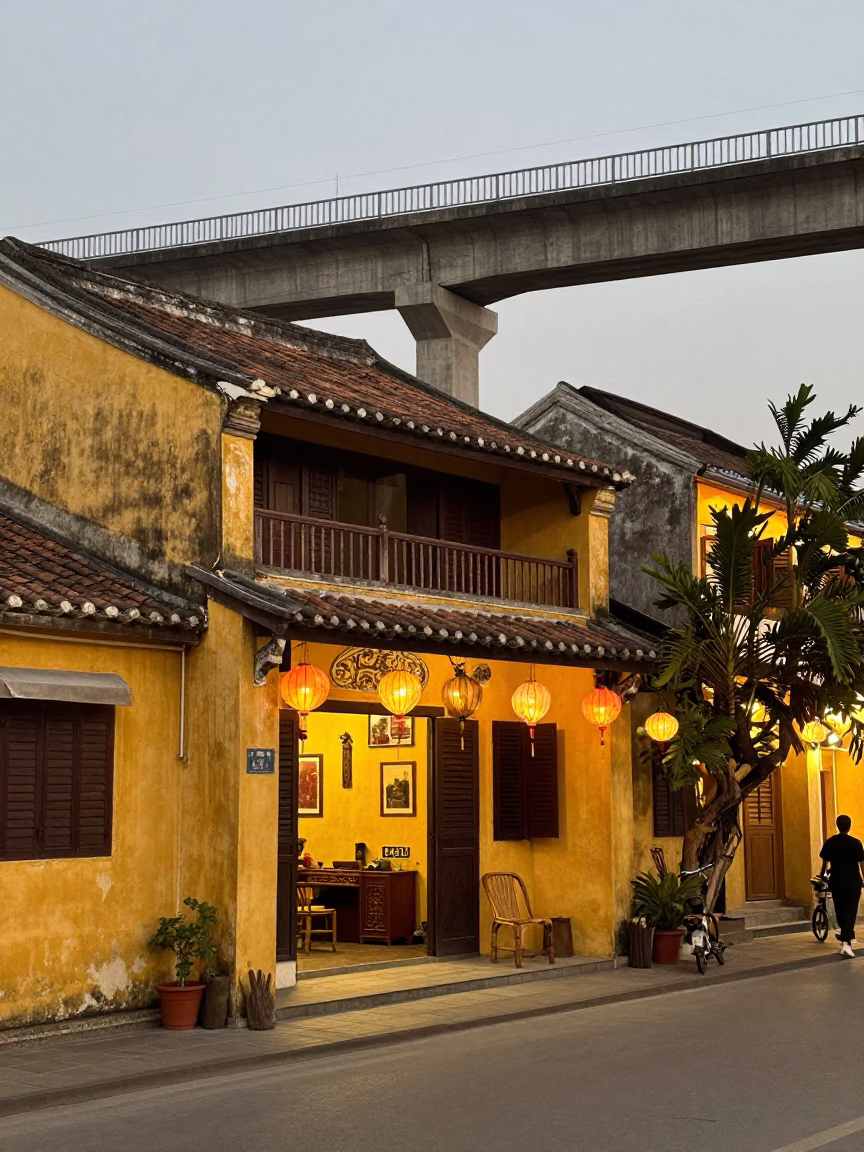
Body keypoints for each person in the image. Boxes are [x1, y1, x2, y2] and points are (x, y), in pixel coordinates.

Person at [819, 814, 864, 957]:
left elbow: (824, 862)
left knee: (840, 909)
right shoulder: (856, 843)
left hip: (837, 881)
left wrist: (822, 875)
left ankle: (845, 940)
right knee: (851, 910)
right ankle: (846, 942)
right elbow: (862, 863)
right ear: (849, 826)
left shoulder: (830, 842)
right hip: (853, 881)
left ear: (837, 826)